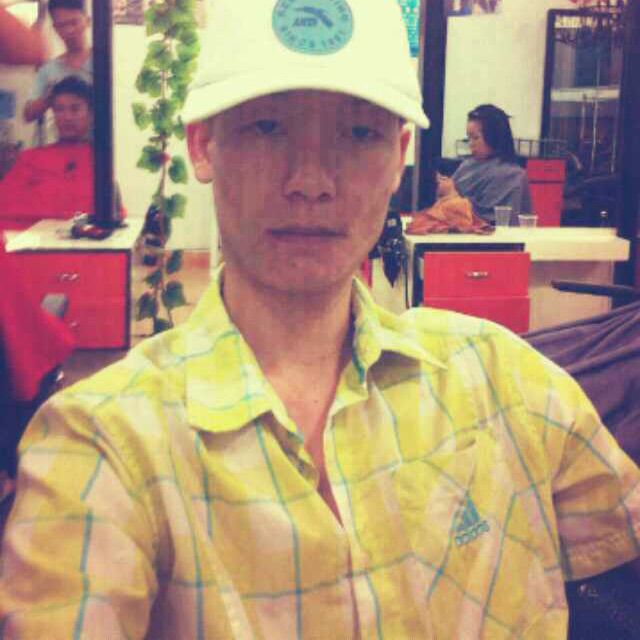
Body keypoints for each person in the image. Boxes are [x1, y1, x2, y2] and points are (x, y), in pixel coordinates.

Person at [0, 0, 638, 638]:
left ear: (399, 156)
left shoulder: (503, 378)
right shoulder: (106, 441)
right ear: (203, 145)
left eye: (358, 133)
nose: (311, 181)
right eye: (267, 127)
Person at [0, 76, 93, 229]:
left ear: (90, 113)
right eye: (59, 109)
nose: (67, 117)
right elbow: (4, 208)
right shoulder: (30, 159)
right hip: (30, 238)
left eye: (75, 109)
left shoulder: (101, 161)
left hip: (84, 239)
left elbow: (111, 219)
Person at [437, 104, 532, 224]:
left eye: (476, 138)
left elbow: (487, 220)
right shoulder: (468, 165)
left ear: (494, 137)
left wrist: (451, 194)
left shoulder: (511, 175)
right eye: (469, 138)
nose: (471, 144)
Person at [22, 0, 92, 143]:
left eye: (74, 22)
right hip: (62, 148)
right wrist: (52, 95)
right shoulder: (49, 70)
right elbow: (28, 114)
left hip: (103, 149)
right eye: (62, 25)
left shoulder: (105, 62)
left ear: (87, 21)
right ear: (55, 28)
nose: (69, 30)